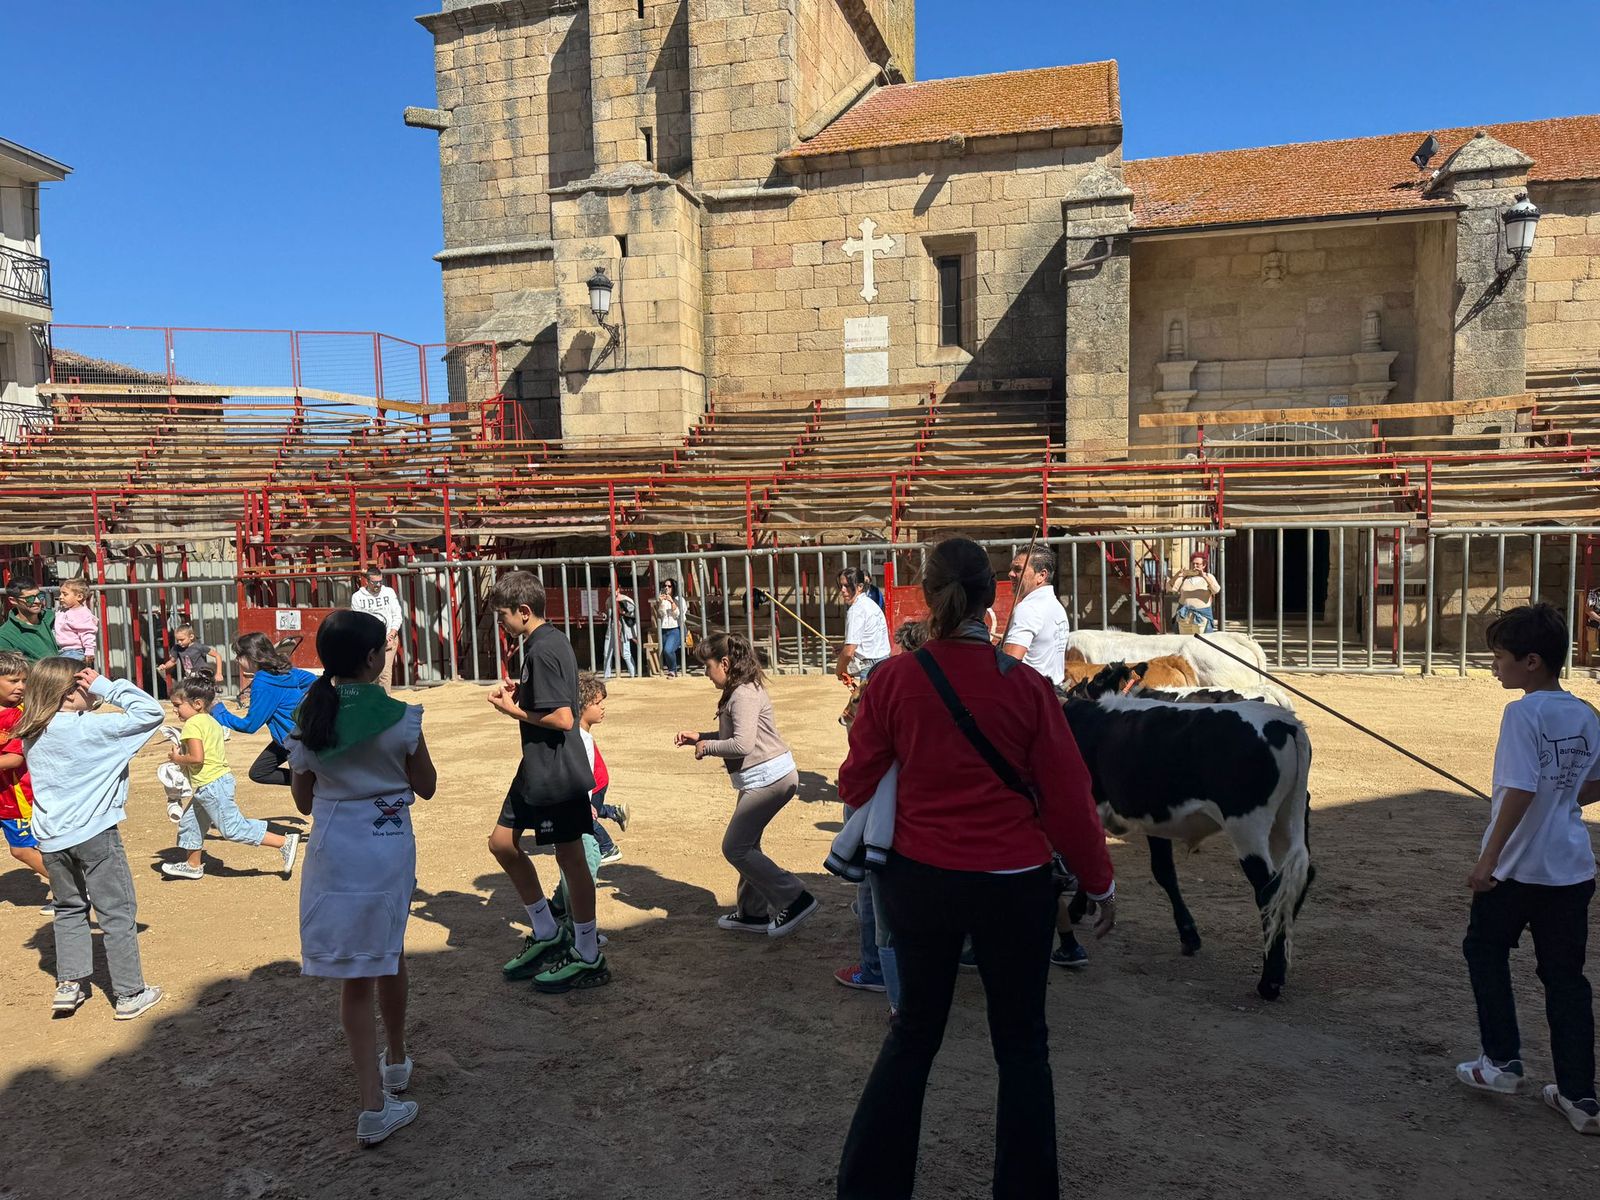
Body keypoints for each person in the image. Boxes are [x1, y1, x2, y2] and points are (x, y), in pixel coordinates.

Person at [835, 536, 1115, 1200]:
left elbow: (854, 784)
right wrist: (1099, 882)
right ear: (993, 600)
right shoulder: (1027, 688)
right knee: (1022, 1048)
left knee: (913, 1037)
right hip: (1013, 883)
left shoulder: (894, 680)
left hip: (919, 878)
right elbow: (1068, 798)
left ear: (929, 597)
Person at [288, 609, 436, 1147]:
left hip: (334, 847)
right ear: (374, 658)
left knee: (356, 972)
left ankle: (380, 1086)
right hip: (387, 843)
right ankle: (387, 1077)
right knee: (389, 951)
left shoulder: (311, 714)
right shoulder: (402, 716)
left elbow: (302, 800)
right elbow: (427, 785)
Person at [1456, 603, 1600, 1136]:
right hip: (1571, 870)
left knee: (1484, 950)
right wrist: (1561, 799)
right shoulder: (1585, 712)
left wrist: (1487, 860)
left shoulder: (1522, 714)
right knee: (1566, 979)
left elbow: (1519, 789)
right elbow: (1590, 784)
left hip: (1516, 871)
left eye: (1500, 657)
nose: (1495, 667)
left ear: (1532, 661)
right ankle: (1580, 1097)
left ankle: (1501, 1063)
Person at [17, 659, 165, 1020]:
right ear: (70, 693)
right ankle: (130, 993)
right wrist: (107, 687)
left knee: (69, 907)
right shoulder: (93, 729)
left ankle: (69, 984)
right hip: (95, 833)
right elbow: (151, 712)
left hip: (52, 838)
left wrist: (94, 692)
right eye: (83, 683)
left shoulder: (33, 731)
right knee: (117, 913)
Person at [485, 570, 609, 993]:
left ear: (523, 611)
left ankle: (588, 954)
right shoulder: (546, 642)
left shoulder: (543, 648)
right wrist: (525, 693)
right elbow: (553, 699)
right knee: (501, 843)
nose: (501, 622)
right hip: (535, 766)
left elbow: (563, 718)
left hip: (556, 769)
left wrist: (512, 710)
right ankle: (547, 931)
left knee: (570, 857)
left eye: (503, 615)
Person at [677, 631, 818, 938]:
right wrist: (700, 737)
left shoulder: (743, 693)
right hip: (762, 777)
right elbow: (735, 737)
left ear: (725, 663)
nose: (706, 673)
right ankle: (752, 913)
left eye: (708, 666)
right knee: (748, 843)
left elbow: (742, 744)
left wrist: (707, 747)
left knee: (735, 847)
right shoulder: (740, 689)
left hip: (770, 779)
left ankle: (795, 898)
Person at [835, 620, 927, 1011]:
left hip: (883, 806)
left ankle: (876, 971)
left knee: (875, 892)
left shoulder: (887, 678)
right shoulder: (954, 680)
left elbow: (862, 758)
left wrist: (852, 795)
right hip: (931, 809)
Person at [160, 675, 301, 881]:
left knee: (232, 828)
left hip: (211, 786)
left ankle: (283, 842)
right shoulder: (211, 721)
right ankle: (192, 865)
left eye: (177, 705)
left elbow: (197, 758)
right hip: (215, 782)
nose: (175, 710)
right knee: (191, 822)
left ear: (197, 704)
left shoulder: (192, 725)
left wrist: (177, 758)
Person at [212, 633, 317, 787]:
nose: (237, 660)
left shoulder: (262, 682)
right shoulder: (285, 671)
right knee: (259, 772)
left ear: (251, 656)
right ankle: (310, 781)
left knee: (303, 793)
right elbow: (313, 680)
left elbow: (250, 725)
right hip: (292, 737)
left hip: (295, 743)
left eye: (239, 655)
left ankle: (310, 782)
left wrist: (218, 710)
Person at [0, 650, 52, 911]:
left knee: (22, 849)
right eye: (13, 681)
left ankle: (74, 890)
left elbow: (14, 759)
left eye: (24, 681)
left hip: (18, 795)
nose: (21, 686)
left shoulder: (21, 715)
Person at [578, 672, 629, 866]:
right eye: (597, 703)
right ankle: (614, 812)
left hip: (595, 783)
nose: (602, 707)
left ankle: (608, 848)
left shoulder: (582, 738)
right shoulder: (579, 735)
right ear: (581, 706)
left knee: (585, 817)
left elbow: (583, 775)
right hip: (596, 781)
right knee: (589, 811)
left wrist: (585, 802)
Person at [1002, 546, 1070, 687]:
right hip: (1052, 691)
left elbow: (1008, 664)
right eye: (1011, 569)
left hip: (1031, 694)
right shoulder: (1056, 606)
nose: (1010, 574)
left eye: (1018, 569)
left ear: (1041, 575)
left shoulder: (1028, 608)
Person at [350, 568, 404, 692]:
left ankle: (385, 700)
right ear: (367, 581)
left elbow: (397, 614)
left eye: (380, 581)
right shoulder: (357, 597)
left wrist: (392, 633)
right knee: (371, 673)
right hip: (369, 641)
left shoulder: (388, 592)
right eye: (375, 582)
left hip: (389, 638)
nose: (378, 585)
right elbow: (359, 622)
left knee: (384, 673)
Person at [836, 567, 891, 685]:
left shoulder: (856, 610)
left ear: (860, 587)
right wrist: (843, 647)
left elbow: (849, 651)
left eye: (847, 586)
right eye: (841, 586)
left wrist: (840, 670)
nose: (843, 590)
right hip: (884, 662)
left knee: (867, 697)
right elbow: (868, 637)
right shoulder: (870, 604)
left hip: (870, 667)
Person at [0, 581, 60, 662]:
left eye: (40, 595)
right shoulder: (5, 635)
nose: (37, 601)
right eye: (29, 598)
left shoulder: (53, 618)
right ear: (13, 600)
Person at [159, 623, 224, 691]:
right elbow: (172, 661)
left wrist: (219, 673)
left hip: (202, 675)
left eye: (182, 639)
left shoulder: (198, 647)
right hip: (189, 676)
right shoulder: (177, 648)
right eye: (177, 640)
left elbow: (217, 655)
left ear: (191, 637)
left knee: (203, 692)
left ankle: (213, 687)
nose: (179, 642)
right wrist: (165, 666)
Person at [1168, 552, 1221, 633]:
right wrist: (1177, 575)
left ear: (1204, 565)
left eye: (1197, 564)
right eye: (1193, 564)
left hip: (1202, 617)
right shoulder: (1184, 578)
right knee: (1184, 639)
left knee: (1202, 640)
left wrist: (1204, 576)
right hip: (1184, 617)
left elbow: (1216, 590)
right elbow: (1169, 587)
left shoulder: (1209, 576)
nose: (1195, 566)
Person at [52, 578, 98, 665]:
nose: (60, 597)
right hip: (62, 651)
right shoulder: (63, 610)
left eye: (65, 594)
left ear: (79, 597)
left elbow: (87, 633)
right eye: (60, 593)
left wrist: (89, 651)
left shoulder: (82, 614)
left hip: (75, 652)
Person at [602, 592, 640, 680]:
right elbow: (608, 615)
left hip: (623, 628)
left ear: (618, 589)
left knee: (625, 652)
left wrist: (623, 612)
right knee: (607, 653)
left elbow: (633, 612)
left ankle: (633, 674)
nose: (610, 589)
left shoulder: (625, 599)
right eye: (609, 587)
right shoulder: (608, 600)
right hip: (611, 628)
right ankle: (607, 675)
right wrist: (605, 616)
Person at [654, 579, 686, 678]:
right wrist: (660, 603)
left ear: (674, 587)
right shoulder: (663, 599)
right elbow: (661, 614)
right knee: (665, 651)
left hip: (676, 628)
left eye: (669, 586)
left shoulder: (680, 599)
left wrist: (671, 601)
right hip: (664, 628)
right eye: (665, 586)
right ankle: (672, 670)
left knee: (668, 650)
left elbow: (678, 615)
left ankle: (672, 670)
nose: (666, 588)